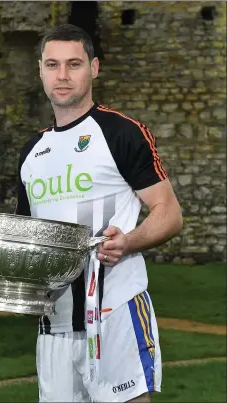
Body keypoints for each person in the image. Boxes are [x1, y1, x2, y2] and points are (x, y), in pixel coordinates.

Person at [15, 24, 183, 403]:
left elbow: (169, 213)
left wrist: (128, 241)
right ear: (39, 70)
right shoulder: (31, 152)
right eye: (52, 65)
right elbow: (28, 239)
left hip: (115, 310)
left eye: (73, 64)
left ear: (93, 68)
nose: (62, 75)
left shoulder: (122, 132)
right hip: (54, 322)